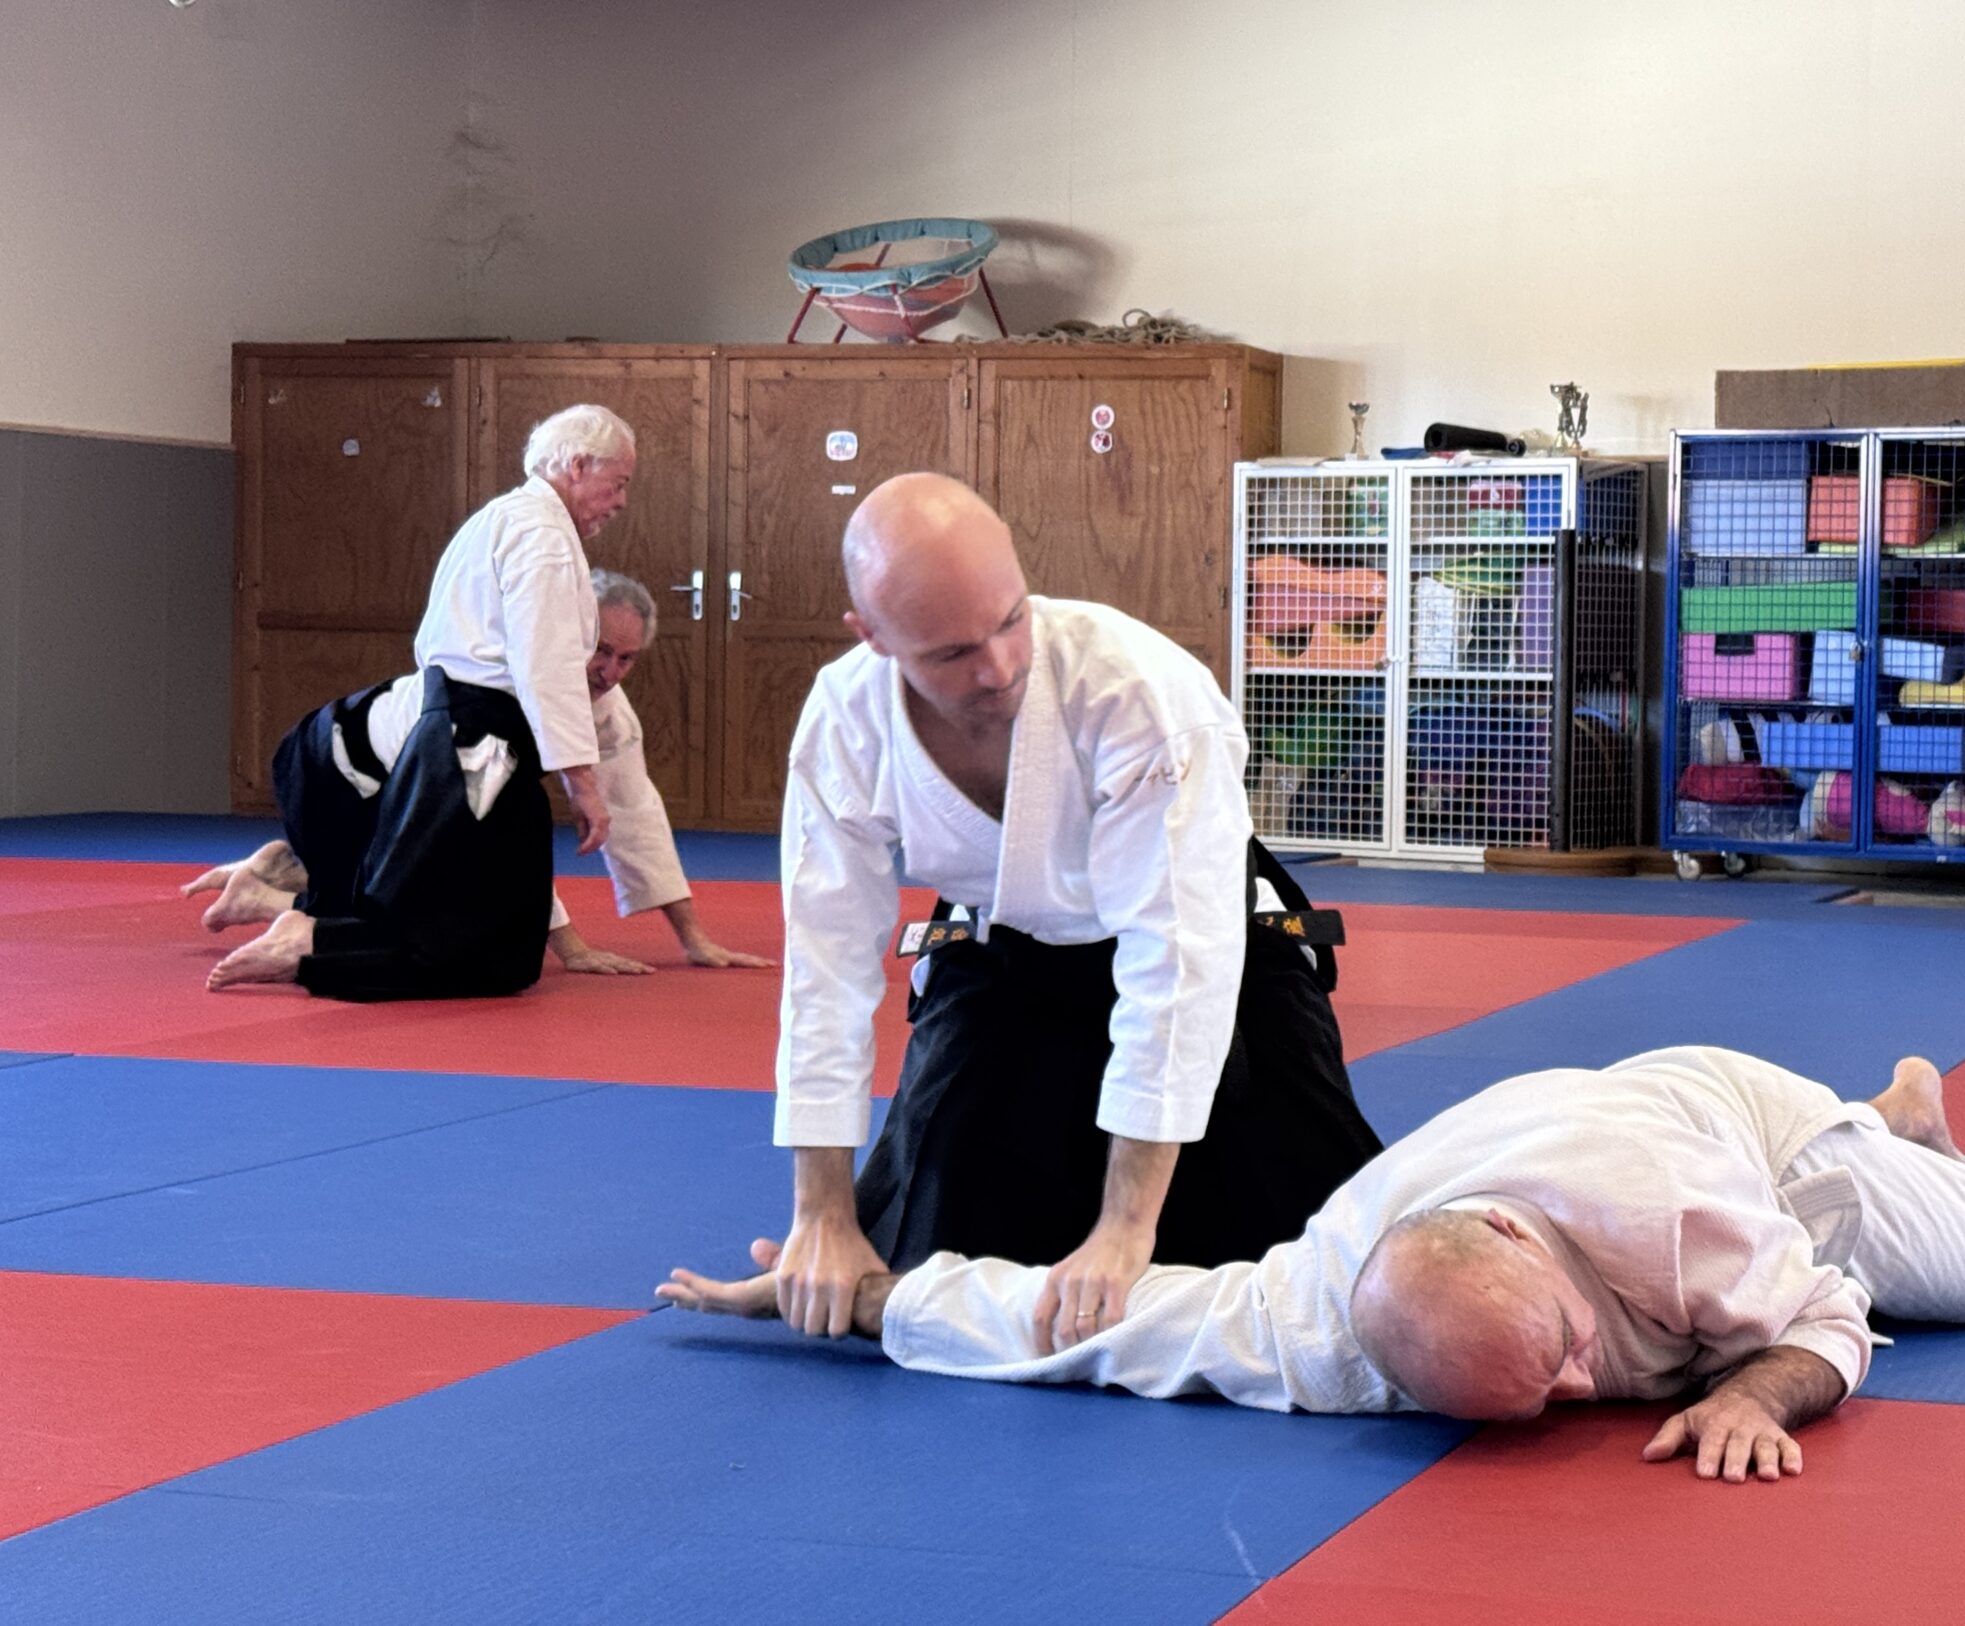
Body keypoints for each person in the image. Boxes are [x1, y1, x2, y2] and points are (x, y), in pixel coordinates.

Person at [661, 1045, 1965, 1484]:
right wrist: (854, 1294)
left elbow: (1830, 1310)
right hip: (1575, 1147)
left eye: (1555, 1363)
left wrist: (1768, 1392)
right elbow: (1083, 1321)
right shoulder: (1314, 1311)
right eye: (1546, 1398)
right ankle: (1916, 1122)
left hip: (1756, 1136)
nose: (1576, 1396)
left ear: (1541, 1275)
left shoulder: (1671, 1224)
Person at [766, 472, 1382, 1357]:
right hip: (1008, 953)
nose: (997, 668)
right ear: (872, 637)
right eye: (951, 653)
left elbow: (1178, 957)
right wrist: (821, 1213)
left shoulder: (1136, 688)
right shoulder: (845, 719)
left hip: (1227, 959)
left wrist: (1124, 1232)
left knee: (1323, 1273)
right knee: (924, 1248)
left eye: (1010, 620)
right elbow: (825, 967)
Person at [205, 405, 633, 1000]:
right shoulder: (543, 538)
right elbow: (547, 663)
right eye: (619, 483)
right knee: (446, 930)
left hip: (466, 732)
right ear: (579, 465)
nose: (620, 502)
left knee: (504, 935)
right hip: (478, 737)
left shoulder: (504, 517)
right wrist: (581, 783)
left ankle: (307, 925)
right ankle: (309, 939)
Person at [187, 568, 772, 977]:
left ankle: (282, 871)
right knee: (429, 921)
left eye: (627, 659)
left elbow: (635, 814)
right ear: (568, 632)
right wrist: (571, 949)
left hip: (392, 789)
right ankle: (280, 897)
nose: (611, 672)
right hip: (330, 770)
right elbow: (497, 844)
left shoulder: (608, 713)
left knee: (434, 908)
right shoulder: (504, 696)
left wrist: (693, 938)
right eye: (600, 651)